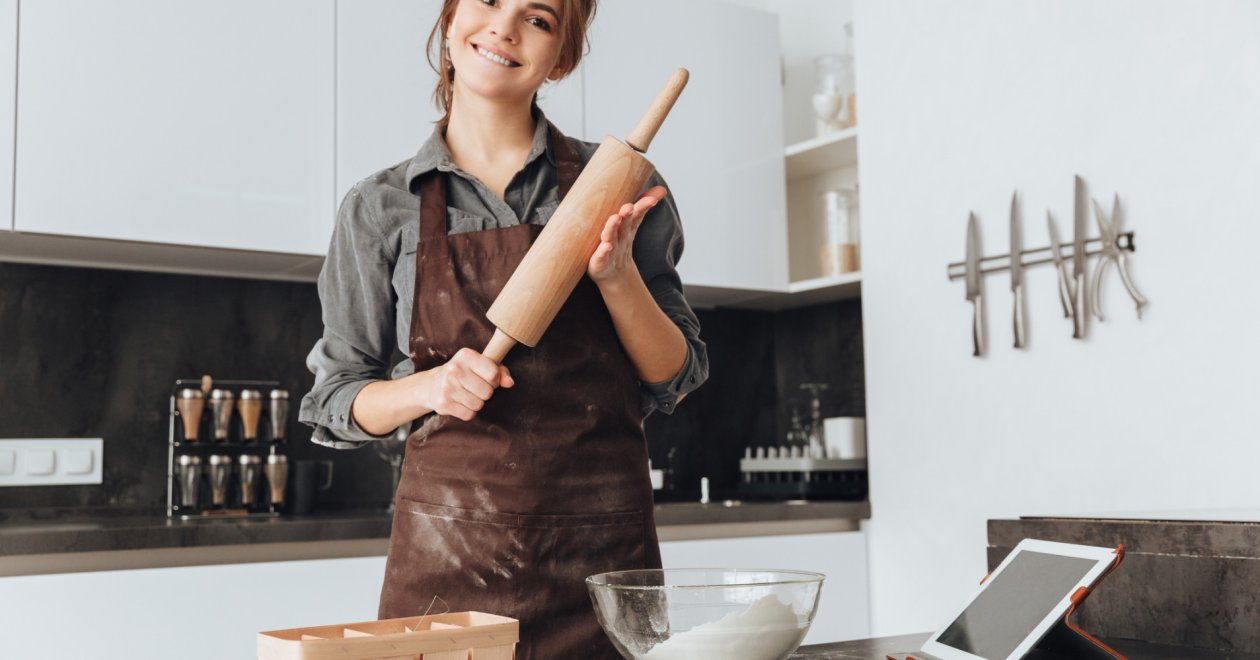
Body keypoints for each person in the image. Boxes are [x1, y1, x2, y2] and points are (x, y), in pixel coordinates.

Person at [299, 0, 708, 656]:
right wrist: (429, 389)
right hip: (446, 568)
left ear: (561, 57)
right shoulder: (379, 208)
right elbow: (337, 399)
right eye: (488, 2)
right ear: (451, 17)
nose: (505, 27)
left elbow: (674, 373)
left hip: (603, 567)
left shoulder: (618, 189)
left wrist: (615, 276)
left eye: (538, 18)